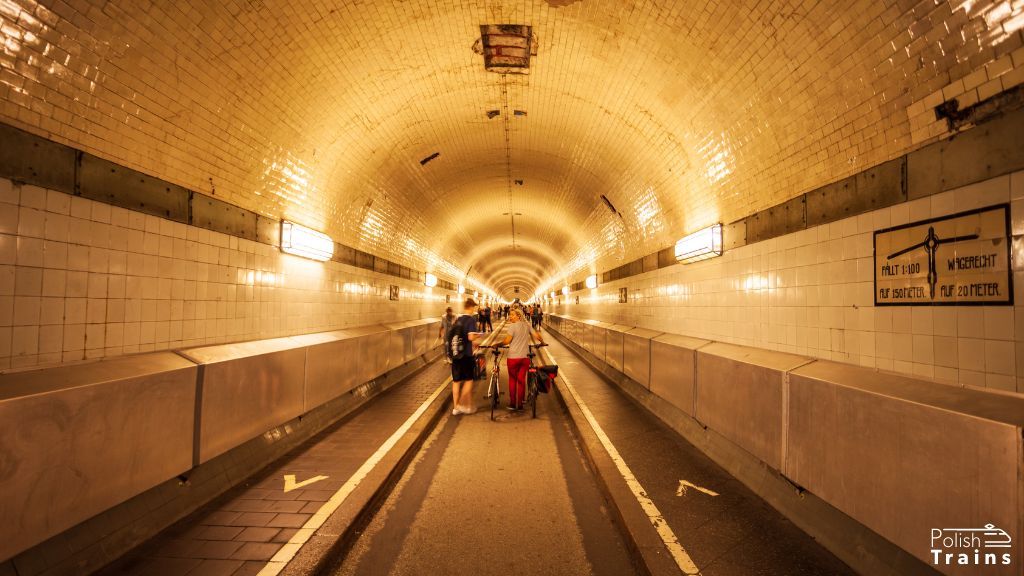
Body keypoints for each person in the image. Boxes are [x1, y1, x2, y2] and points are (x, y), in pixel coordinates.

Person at [501, 307, 544, 411]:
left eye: (512, 315)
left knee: (512, 380)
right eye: (510, 315)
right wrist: (542, 342)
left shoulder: (512, 327)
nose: (510, 317)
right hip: (524, 357)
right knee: (521, 380)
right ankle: (520, 405)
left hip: (513, 358)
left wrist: (498, 344)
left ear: (518, 316)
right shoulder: (527, 325)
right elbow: (537, 336)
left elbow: (507, 341)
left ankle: (512, 403)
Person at [448, 298, 484, 415]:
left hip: (455, 354)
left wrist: (473, 343)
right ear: (471, 307)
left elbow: (459, 337)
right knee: (469, 380)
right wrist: (479, 335)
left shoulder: (457, 319)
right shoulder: (471, 320)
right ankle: (462, 405)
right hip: (466, 355)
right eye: (474, 307)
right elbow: (470, 337)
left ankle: (456, 408)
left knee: (456, 381)